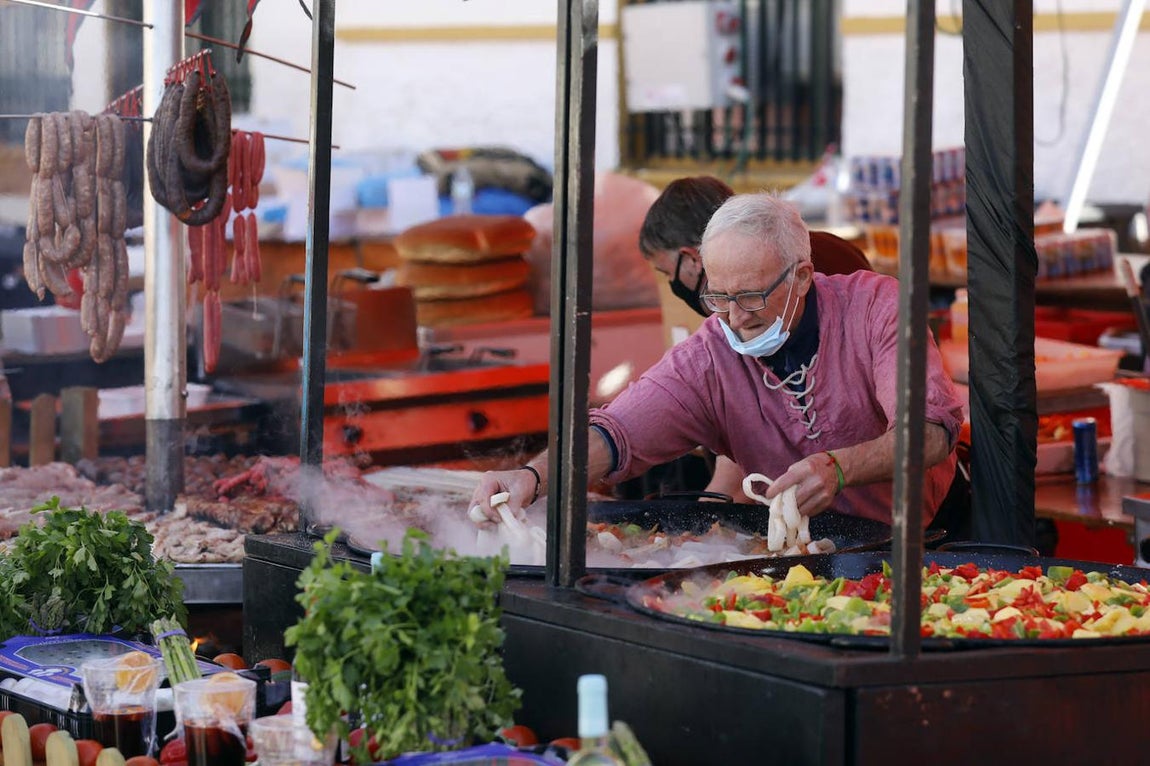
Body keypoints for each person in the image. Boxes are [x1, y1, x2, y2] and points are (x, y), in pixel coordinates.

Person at [470, 192, 965, 527]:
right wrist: (534, 477)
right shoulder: (708, 355)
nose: (731, 318)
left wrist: (839, 467)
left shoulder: (878, 307)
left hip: (931, 537)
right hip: (811, 554)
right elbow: (616, 432)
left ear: (801, 276)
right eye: (717, 297)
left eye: (749, 298)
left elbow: (931, 430)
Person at [637, 175, 874, 501]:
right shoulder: (743, 294)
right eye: (721, 298)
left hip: (858, 502)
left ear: (691, 259)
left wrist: (711, 516)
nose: (734, 313)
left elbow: (749, 411)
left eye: (668, 274)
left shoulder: (819, 277)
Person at [638, 175, 872, 320]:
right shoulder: (833, 245)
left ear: (692, 258)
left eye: (667, 272)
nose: (737, 317)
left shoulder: (756, 308)